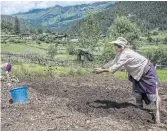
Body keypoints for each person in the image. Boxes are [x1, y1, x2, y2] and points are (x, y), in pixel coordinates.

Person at [95, 37, 159, 108]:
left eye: (115, 45)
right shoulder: (120, 53)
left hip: (146, 72)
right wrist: (102, 67)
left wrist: (102, 71)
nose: (114, 47)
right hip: (137, 73)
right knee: (137, 92)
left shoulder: (125, 54)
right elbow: (113, 62)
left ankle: (159, 109)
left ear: (120, 46)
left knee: (151, 94)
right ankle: (140, 109)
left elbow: (116, 67)